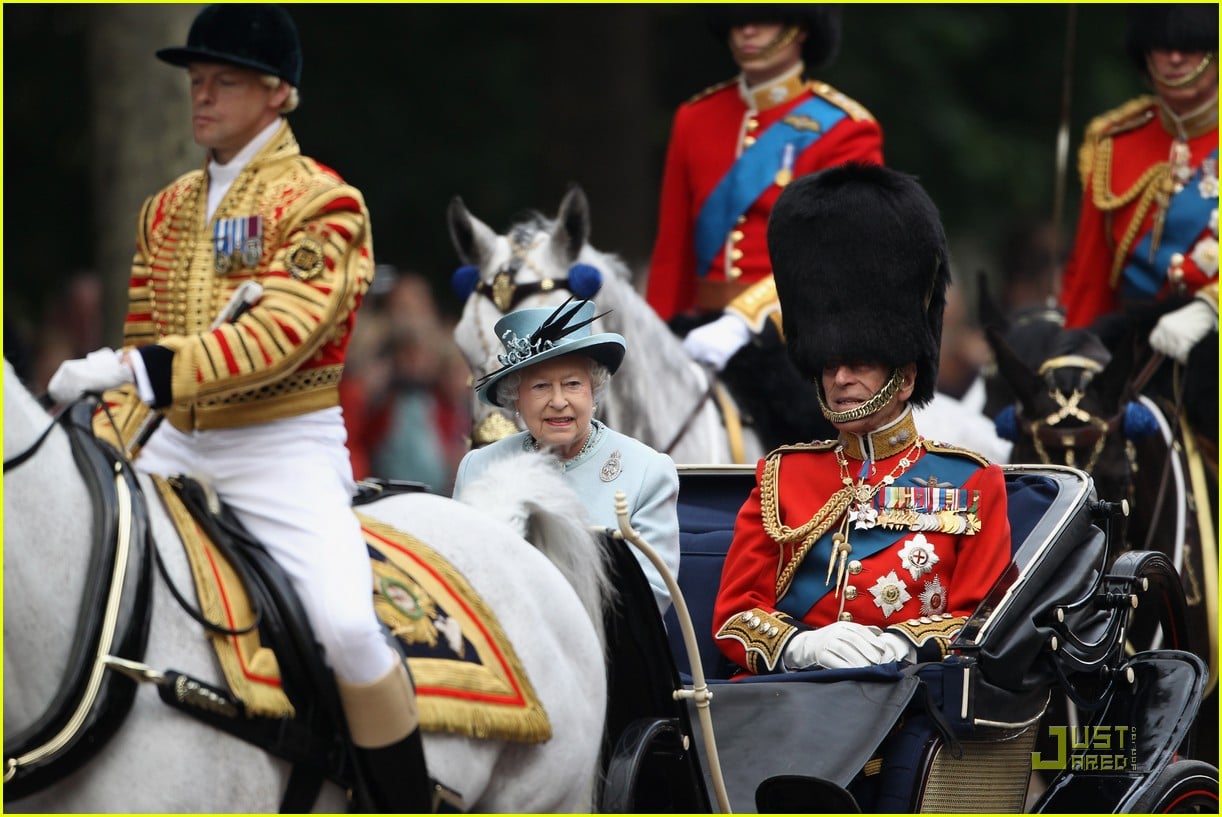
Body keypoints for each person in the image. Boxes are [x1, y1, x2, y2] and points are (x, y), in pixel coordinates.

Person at [45, 5, 427, 810]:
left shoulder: (327, 202)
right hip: (169, 438)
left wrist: (130, 367)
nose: (202, 97)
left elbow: (281, 337)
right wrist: (102, 432)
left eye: (223, 82)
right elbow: (143, 332)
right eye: (196, 81)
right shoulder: (166, 208)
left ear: (278, 93)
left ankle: (401, 801)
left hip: (279, 447)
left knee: (349, 628)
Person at [712, 164, 1012, 676]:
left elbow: (984, 614)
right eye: (830, 365)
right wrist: (797, 646)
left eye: (860, 364)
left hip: (907, 697)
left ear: (907, 377)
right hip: (790, 695)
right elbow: (734, 615)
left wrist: (903, 643)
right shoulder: (781, 476)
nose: (841, 378)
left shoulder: (973, 481)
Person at [644, 6, 883, 448]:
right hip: (698, 334)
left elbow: (839, 259)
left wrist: (745, 319)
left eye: (765, 16)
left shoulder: (846, 129)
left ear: (800, 26)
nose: (747, 29)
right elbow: (672, 255)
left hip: (793, 338)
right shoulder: (694, 119)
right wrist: (656, 338)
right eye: (735, 18)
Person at [452, 299, 681, 617]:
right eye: (541, 386)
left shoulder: (647, 470)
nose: (558, 401)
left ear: (593, 390)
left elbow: (650, 599)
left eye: (572, 384)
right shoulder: (478, 468)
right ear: (516, 398)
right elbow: (461, 577)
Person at [1059, 3, 1218, 360]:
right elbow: (1090, 277)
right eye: (1162, 46)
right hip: (1130, 349)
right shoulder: (1116, 143)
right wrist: (1073, 352)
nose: (1175, 58)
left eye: (1190, 46)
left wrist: (1212, 305)